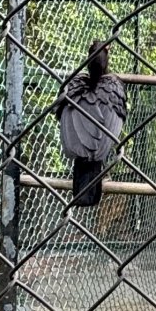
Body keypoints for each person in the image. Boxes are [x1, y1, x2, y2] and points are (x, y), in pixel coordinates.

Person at [55, 38, 127, 209]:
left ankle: (86, 185)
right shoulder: (113, 87)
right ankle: (95, 178)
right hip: (98, 155)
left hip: (81, 156)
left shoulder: (73, 86)